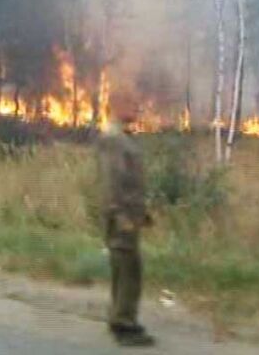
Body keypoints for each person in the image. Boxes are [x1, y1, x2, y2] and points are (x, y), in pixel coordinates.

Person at [96, 107, 154, 347]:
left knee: (127, 267)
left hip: (129, 213)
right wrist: (119, 213)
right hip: (121, 216)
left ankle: (121, 316)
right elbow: (113, 181)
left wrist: (142, 212)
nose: (138, 110)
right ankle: (124, 323)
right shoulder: (114, 140)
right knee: (128, 268)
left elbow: (131, 180)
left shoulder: (123, 138)